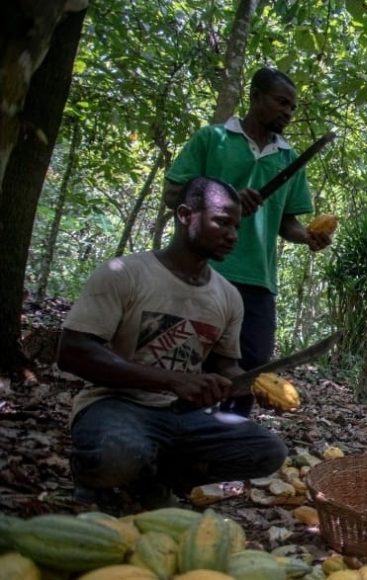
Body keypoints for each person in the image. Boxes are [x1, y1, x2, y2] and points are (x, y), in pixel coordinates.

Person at [58, 177, 288, 513]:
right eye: (222, 223)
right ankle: (95, 478)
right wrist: (172, 380)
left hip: (180, 415)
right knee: (115, 455)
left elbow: (225, 365)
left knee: (267, 450)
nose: (233, 235)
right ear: (185, 215)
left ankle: (153, 480)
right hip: (116, 403)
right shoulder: (125, 273)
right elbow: (73, 351)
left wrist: (255, 385)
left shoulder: (227, 296)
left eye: (236, 226)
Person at [163, 67, 332, 417]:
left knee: (248, 375)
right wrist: (223, 199)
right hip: (202, 271)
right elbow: (172, 192)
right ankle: (171, 437)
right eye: (281, 102)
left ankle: (223, 450)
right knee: (185, 363)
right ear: (255, 97)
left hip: (257, 281)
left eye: (293, 107)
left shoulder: (289, 159)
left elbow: (288, 223)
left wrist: (308, 237)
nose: (288, 112)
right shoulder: (213, 139)